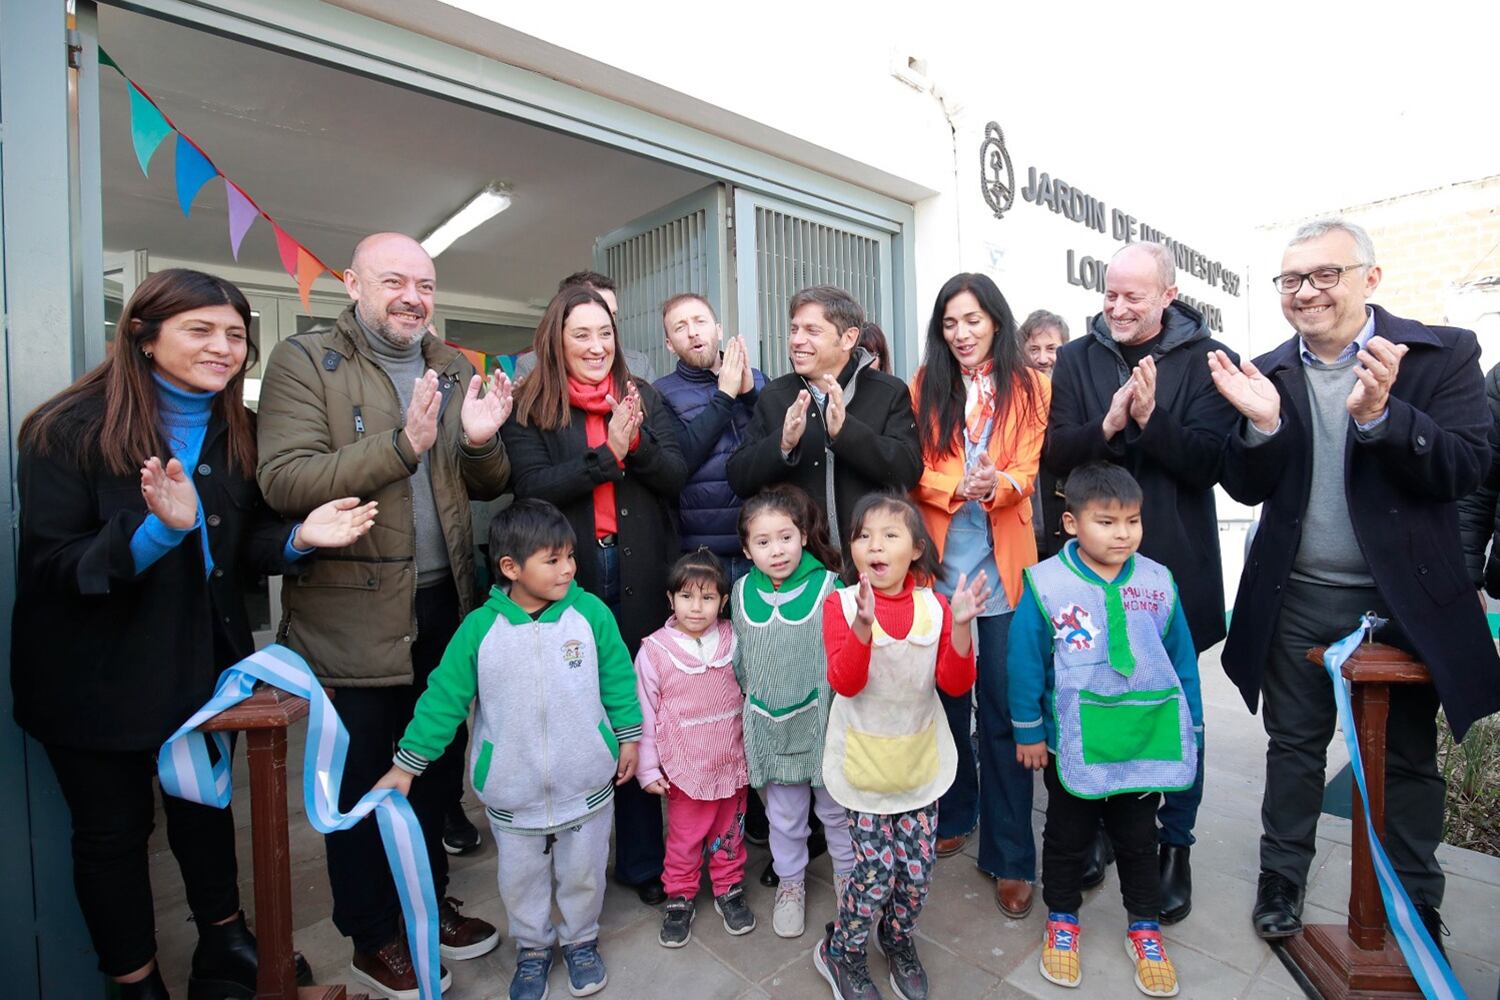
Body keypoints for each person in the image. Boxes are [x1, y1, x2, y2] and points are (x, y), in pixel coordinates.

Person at [11, 269, 378, 1000]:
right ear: (143, 338)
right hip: (95, 677)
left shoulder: (233, 426)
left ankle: (224, 945)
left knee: (205, 812)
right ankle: (136, 982)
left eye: (235, 334)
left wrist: (301, 536)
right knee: (112, 837)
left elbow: (239, 548)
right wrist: (153, 533)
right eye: (200, 330)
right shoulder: (67, 428)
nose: (223, 348)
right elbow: (53, 566)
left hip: (203, 666)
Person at [1209, 218, 1500, 948]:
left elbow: (1466, 466)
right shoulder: (1266, 371)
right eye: (1291, 280)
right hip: (1296, 595)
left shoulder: (1441, 355)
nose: (1306, 293)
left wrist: (1383, 420)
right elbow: (1244, 486)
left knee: (1406, 758)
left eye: (1324, 276)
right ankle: (1283, 879)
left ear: (1369, 278)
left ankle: (1414, 898)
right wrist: (1262, 430)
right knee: (1295, 747)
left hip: (1400, 603)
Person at [256, 233, 509, 996]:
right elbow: (284, 479)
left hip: (443, 607)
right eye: (394, 280)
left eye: (425, 284)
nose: (412, 297)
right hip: (351, 617)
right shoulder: (305, 362)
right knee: (365, 781)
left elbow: (487, 482)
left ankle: (427, 902)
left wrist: (479, 443)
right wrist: (404, 446)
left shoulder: (451, 365)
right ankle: (372, 934)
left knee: (429, 772)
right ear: (352, 283)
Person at [373, 499, 641, 1000]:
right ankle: (533, 948)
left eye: (570, 557)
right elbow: (443, 699)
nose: (568, 569)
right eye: (552, 560)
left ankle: (581, 941)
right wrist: (408, 764)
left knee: (583, 874)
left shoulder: (591, 615)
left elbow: (619, 680)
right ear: (511, 568)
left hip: (585, 784)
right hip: (512, 793)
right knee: (522, 881)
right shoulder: (479, 629)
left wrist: (627, 736)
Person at [1042, 242, 1239, 920]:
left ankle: (1174, 843)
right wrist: (1108, 425)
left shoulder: (1212, 361)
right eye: (1110, 293)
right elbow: (1055, 456)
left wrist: (1153, 423)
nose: (1118, 307)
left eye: (1134, 296)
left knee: (1177, 711)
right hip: (1090, 575)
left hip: (1172, 567)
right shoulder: (1075, 358)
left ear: (1168, 294)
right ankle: (1097, 828)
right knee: (1093, 698)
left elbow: (1211, 463)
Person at [500, 284, 689, 906]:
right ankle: (568, 861)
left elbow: (675, 477)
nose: (595, 346)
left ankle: (640, 861)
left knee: (630, 706)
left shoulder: (642, 398)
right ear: (556, 338)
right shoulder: (531, 407)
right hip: (566, 580)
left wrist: (634, 444)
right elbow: (532, 488)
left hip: (637, 570)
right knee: (573, 712)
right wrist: (604, 455)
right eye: (581, 334)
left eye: (604, 333)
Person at [1008, 463, 1203, 998]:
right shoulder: (1047, 583)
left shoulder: (1158, 582)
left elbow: (1181, 659)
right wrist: (1028, 730)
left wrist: (1195, 725)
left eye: (1133, 521)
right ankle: (1063, 921)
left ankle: (1144, 928)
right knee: (1067, 838)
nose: (1123, 534)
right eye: (1107, 521)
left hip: (1142, 738)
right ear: (1071, 523)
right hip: (1073, 740)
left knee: (1140, 841)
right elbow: (1024, 661)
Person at [909, 273, 1049, 918]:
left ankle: (1012, 855)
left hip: (1002, 575)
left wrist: (998, 484)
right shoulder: (923, 384)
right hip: (939, 573)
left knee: (1002, 712)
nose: (961, 334)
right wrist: (954, 484)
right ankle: (955, 813)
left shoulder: (1029, 385)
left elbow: (1028, 467)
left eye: (973, 320)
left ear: (996, 320)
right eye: (950, 323)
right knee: (945, 705)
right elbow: (911, 467)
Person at [815, 493, 986, 1000]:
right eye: (863, 535)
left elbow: (956, 686)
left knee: (916, 872)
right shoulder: (840, 604)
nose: (874, 545)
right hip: (864, 764)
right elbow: (844, 682)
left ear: (916, 548)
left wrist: (961, 627)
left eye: (890, 534)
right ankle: (841, 951)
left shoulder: (936, 606)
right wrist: (863, 626)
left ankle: (896, 938)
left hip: (918, 761)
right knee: (873, 871)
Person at [732, 485, 855, 939]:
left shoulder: (830, 586)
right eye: (762, 542)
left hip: (823, 722)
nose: (776, 550)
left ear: (803, 535)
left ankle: (847, 877)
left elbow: (845, 655)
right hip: (769, 725)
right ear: (747, 549)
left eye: (785, 537)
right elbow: (740, 662)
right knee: (784, 817)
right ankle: (790, 883)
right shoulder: (741, 593)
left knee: (836, 812)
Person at [727, 285, 923, 550]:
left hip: (869, 561)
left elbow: (907, 471)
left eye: (812, 331)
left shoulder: (888, 391)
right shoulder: (776, 395)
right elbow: (739, 478)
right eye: (794, 329)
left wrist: (845, 432)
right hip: (801, 571)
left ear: (848, 338)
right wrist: (782, 444)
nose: (797, 340)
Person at [636, 549, 756, 948]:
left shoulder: (734, 638)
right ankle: (681, 894)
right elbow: (647, 715)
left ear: (723, 602)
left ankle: (728, 887)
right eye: (687, 596)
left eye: (707, 598)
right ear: (671, 600)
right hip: (686, 766)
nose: (697, 607)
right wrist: (648, 769)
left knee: (729, 833)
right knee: (685, 838)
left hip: (731, 759)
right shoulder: (655, 650)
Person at [652, 292, 767, 578]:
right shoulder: (660, 393)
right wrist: (725, 395)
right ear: (669, 345)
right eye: (680, 327)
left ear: (717, 329)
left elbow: (781, 444)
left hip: (762, 541)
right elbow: (681, 460)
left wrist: (751, 394)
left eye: (700, 321)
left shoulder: (756, 378)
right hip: (700, 552)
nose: (693, 332)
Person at [513, 271, 656, 382]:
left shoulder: (637, 365)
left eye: (613, 314)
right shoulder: (532, 366)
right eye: (600, 311)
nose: (609, 322)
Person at [1018, 309, 1070, 557]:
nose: (1042, 358)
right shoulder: (1013, 396)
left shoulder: (1072, 395)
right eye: (1034, 349)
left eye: (1051, 349)